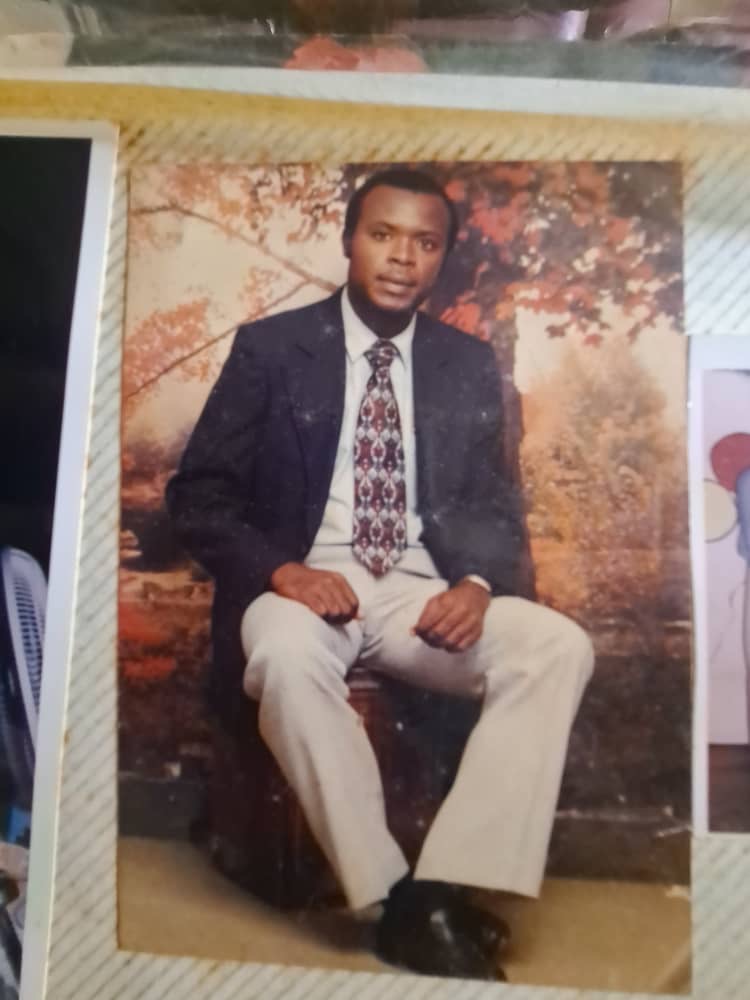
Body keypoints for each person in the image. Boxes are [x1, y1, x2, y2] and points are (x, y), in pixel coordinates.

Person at [166, 168, 594, 981]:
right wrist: (282, 571)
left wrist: (475, 584)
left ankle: (441, 888)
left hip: (415, 593)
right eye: (383, 235)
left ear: (442, 259)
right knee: (286, 655)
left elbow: (493, 502)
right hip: (300, 586)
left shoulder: (467, 364)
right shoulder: (272, 349)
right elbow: (197, 497)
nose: (403, 257)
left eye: (425, 243)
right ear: (348, 241)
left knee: (558, 647)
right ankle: (393, 896)